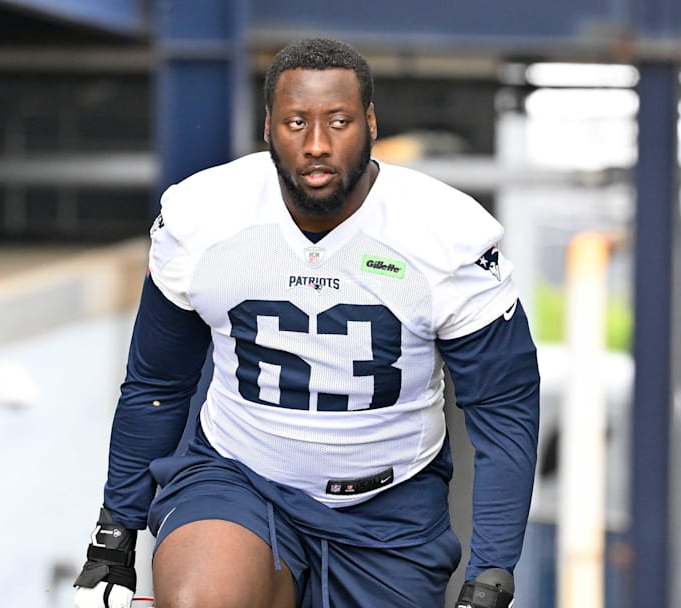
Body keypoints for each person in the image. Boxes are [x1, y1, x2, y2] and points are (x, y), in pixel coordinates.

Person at [73, 37, 540, 608]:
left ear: (370, 122)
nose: (317, 144)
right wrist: (117, 526)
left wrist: (493, 570)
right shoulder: (205, 215)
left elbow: (504, 408)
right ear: (268, 127)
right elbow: (157, 383)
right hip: (238, 478)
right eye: (296, 122)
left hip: (388, 509)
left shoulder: (445, 232)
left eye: (338, 121)